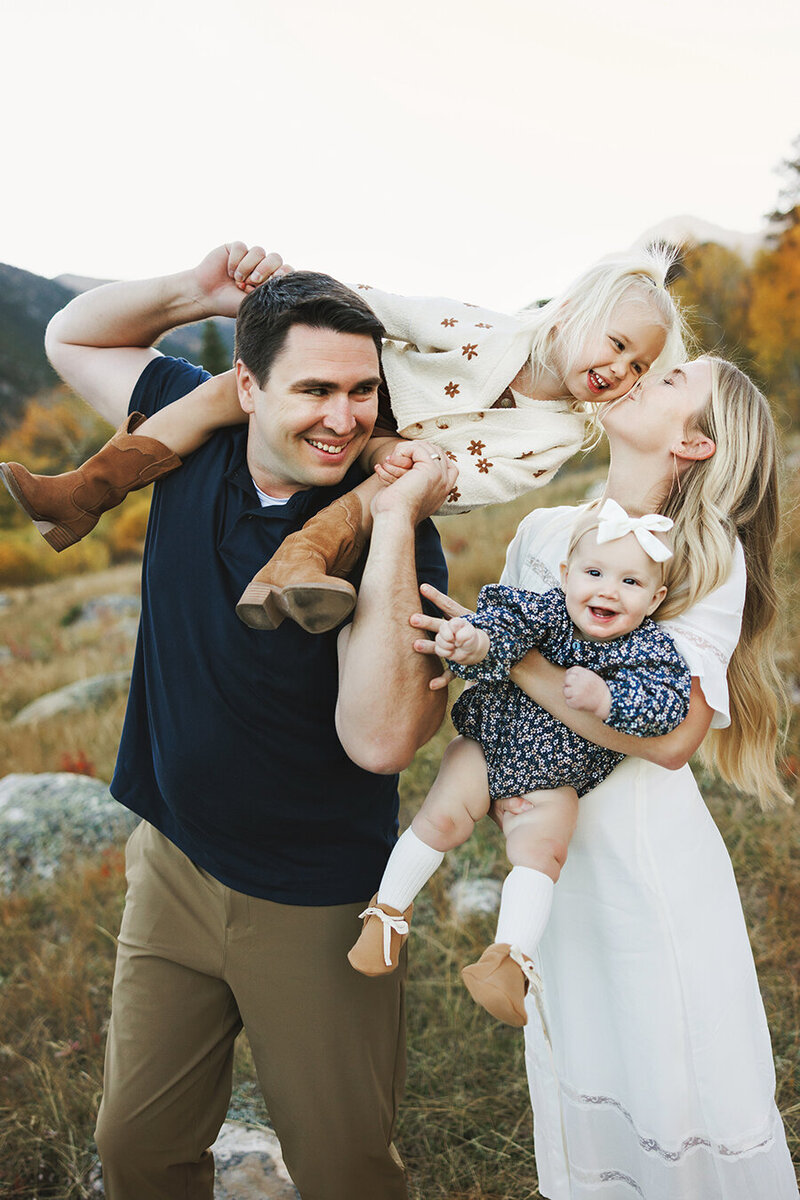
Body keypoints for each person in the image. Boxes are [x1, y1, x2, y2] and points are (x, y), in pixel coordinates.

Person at [39, 242, 456, 1200]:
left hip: (316, 899)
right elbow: (73, 333)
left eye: (363, 392)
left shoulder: (394, 535)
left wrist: (392, 525)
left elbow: (383, 739)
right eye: (314, 389)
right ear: (246, 388)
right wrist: (196, 290)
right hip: (174, 866)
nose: (344, 419)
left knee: (347, 1172)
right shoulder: (189, 437)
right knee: (139, 1154)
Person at [413, 358, 799, 1197]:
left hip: (646, 864)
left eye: (670, 382)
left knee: (676, 1088)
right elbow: (494, 674)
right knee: (584, 1065)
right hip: (556, 860)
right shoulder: (546, 531)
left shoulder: (704, 554)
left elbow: (668, 741)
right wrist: (466, 652)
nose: (642, 377)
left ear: (694, 441)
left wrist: (512, 658)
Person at [1, 245, 685, 633]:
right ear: (571, 316)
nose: (620, 371)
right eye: (618, 345)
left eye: (639, 368)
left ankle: (294, 570)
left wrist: (404, 462)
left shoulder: (559, 436)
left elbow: (486, 482)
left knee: (383, 497)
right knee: (217, 393)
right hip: (356, 393)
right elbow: (389, 310)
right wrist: (296, 291)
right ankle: (82, 493)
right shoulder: (490, 331)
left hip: (405, 464)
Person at [347, 501, 692, 1032]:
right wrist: (477, 640)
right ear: (565, 575)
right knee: (441, 817)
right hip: (489, 744)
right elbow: (504, 624)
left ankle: (508, 962)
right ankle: (387, 912)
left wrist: (606, 699)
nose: (606, 590)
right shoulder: (548, 610)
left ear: (655, 598)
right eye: (594, 573)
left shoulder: (650, 650)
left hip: (557, 777)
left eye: (630, 582)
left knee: (544, 849)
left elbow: (665, 705)